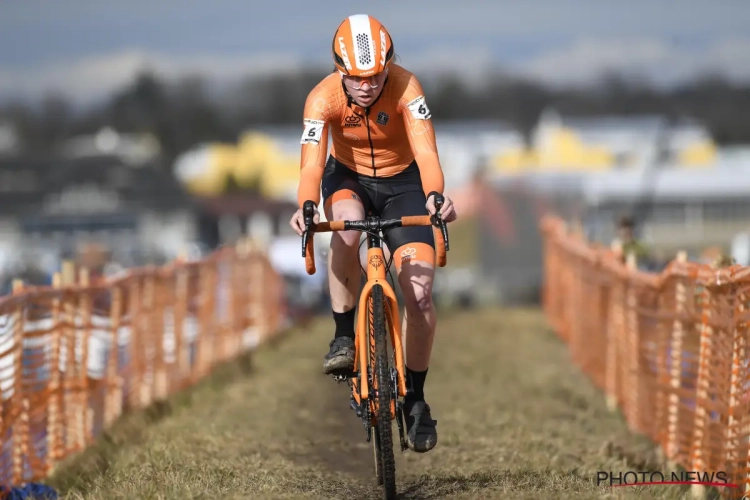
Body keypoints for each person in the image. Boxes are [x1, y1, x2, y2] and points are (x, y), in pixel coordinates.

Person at [289, 13, 457, 453]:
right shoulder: (321, 98)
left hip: (405, 184)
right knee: (344, 230)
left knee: (419, 297)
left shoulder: (407, 87)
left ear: (389, 66)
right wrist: (307, 206)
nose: (368, 86)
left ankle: (416, 400)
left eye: (376, 76)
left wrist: (436, 196)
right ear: (339, 71)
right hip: (349, 179)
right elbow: (310, 164)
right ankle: (344, 333)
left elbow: (427, 154)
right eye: (357, 79)